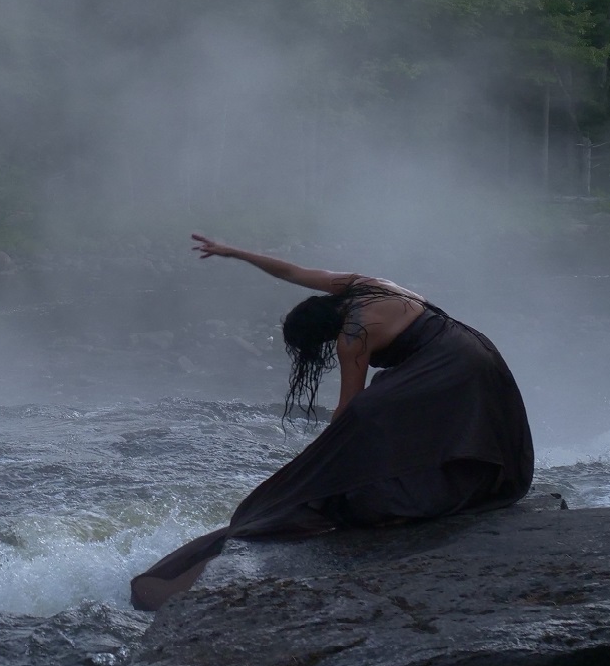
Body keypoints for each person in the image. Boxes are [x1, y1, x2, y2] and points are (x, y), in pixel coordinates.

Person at [129, 234, 534, 611]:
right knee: (393, 407)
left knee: (371, 413)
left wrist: (319, 468)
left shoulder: (353, 335)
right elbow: (292, 272)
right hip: (474, 349)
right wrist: (233, 251)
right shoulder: (363, 285)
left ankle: (413, 492)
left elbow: (349, 411)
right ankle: (449, 477)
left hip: (449, 366)